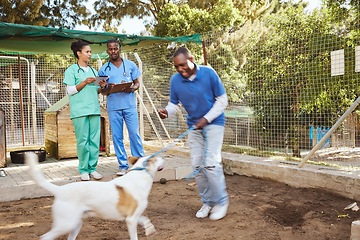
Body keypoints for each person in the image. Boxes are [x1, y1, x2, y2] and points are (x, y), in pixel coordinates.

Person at [158, 47, 229, 221]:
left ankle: (221, 202)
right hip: (194, 126)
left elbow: (223, 100)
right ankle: (208, 202)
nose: (180, 69)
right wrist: (167, 111)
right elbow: (175, 104)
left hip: (214, 122)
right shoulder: (175, 80)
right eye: (177, 67)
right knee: (197, 165)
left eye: (183, 65)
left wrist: (206, 119)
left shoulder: (209, 73)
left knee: (211, 163)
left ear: (192, 58)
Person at [99, 39, 145, 176]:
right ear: (107, 51)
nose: (113, 51)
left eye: (115, 48)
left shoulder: (130, 65)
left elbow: (137, 84)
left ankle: (139, 163)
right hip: (113, 107)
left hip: (129, 106)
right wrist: (106, 87)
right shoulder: (104, 69)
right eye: (110, 49)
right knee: (117, 137)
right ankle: (123, 166)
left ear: (120, 49)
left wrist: (131, 88)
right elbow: (102, 91)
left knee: (134, 134)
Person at [63, 40, 106, 181]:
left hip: (94, 109)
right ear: (78, 53)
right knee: (83, 141)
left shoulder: (94, 71)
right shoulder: (71, 70)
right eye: (87, 52)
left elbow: (97, 91)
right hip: (79, 111)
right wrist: (84, 82)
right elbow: (70, 91)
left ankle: (92, 169)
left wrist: (103, 86)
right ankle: (83, 170)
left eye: (90, 52)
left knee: (94, 141)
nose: (90, 54)